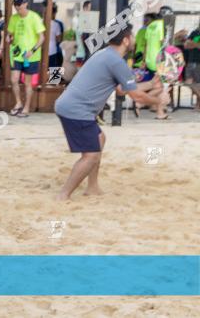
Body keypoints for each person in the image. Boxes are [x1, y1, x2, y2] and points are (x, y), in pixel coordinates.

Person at [54, 26, 166, 200]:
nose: (135, 40)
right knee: (90, 156)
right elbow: (136, 96)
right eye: (133, 37)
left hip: (70, 106)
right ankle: (62, 195)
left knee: (100, 139)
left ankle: (92, 187)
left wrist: (151, 84)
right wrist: (159, 101)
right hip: (77, 110)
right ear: (126, 40)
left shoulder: (105, 54)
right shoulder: (116, 61)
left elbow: (123, 89)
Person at [7, 0, 45, 118]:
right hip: (17, 54)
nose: (18, 7)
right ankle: (18, 103)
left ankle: (26, 108)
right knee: (14, 79)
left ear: (25, 4)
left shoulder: (34, 17)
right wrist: (9, 38)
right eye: (16, 5)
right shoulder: (14, 18)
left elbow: (42, 38)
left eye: (20, 4)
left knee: (28, 83)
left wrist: (33, 50)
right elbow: (10, 35)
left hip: (31, 56)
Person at [74, 0, 92, 65]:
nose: (92, 11)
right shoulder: (82, 20)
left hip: (83, 54)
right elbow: (83, 37)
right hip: (82, 54)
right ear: (85, 8)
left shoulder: (86, 20)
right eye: (91, 8)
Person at [48, 3, 65, 68]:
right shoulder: (58, 24)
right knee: (55, 73)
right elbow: (60, 39)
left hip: (41, 52)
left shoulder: (40, 22)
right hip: (55, 51)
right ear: (55, 13)